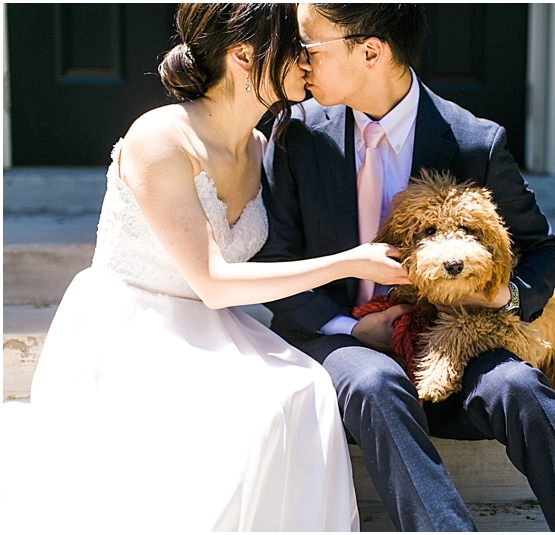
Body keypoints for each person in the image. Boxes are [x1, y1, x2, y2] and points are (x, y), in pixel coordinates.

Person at [0, 4, 409, 532]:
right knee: (254, 413)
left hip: (214, 326)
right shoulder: (160, 140)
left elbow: (261, 269)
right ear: (244, 55)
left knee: (306, 389)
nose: (308, 60)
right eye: (296, 47)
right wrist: (349, 262)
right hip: (133, 330)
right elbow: (214, 282)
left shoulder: (265, 146)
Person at [253, 3, 555, 532]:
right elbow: (277, 262)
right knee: (374, 382)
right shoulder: (295, 131)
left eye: (309, 47)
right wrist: (351, 326)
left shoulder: (474, 140)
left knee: (519, 386)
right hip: (341, 339)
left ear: (370, 51)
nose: (298, 61)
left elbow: (543, 250)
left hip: (455, 335)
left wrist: (503, 299)